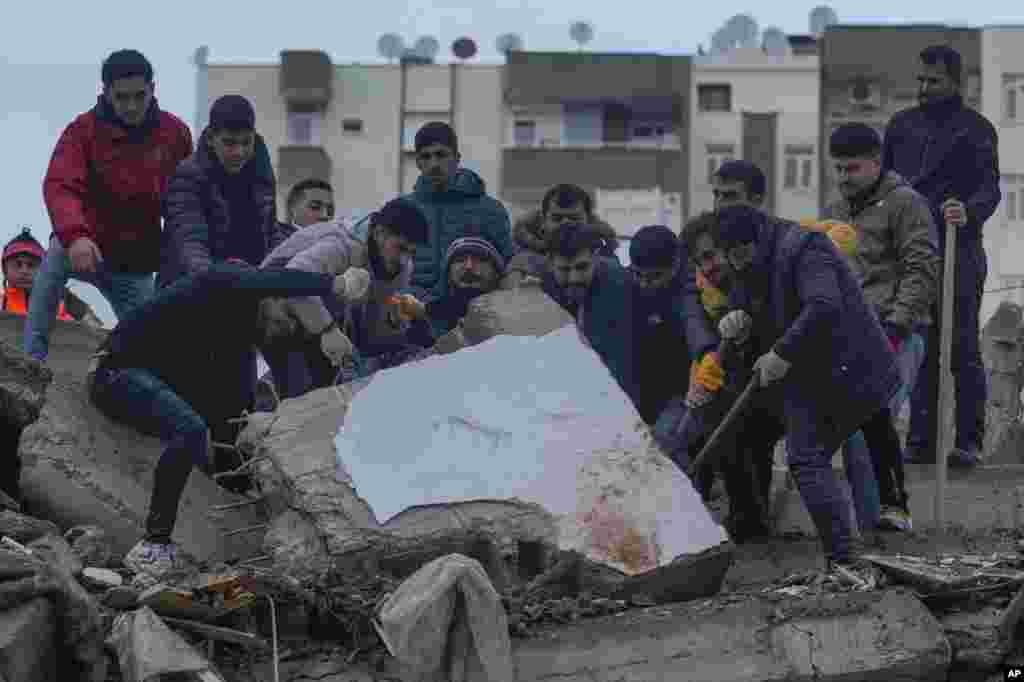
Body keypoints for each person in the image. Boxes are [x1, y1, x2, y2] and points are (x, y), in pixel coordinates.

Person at [87, 262, 361, 575]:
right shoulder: (223, 281)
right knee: (189, 430)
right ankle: (153, 546)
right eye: (284, 318)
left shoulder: (237, 347)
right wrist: (335, 284)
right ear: (270, 296)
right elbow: (272, 278)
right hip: (113, 371)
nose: (281, 329)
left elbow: (230, 420)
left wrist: (248, 482)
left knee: (207, 425)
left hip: (147, 380)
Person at [711, 204, 902, 570]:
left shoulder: (804, 247)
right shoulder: (749, 256)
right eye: (730, 256)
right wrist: (737, 319)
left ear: (758, 237)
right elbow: (750, 297)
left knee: (806, 454)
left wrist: (781, 352)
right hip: (810, 371)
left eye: (741, 253)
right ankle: (830, 551)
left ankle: (845, 559)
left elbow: (824, 306)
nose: (737, 264)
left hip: (849, 368)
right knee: (756, 434)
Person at [27, 49, 192, 361]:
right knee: (50, 268)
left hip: (135, 261)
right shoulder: (82, 131)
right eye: (122, 97)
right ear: (106, 93)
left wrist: (178, 257)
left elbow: (185, 201)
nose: (131, 106)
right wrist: (75, 236)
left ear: (153, 89)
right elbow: (60, 185)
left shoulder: (175, 134)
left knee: (149, 346)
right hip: (83, 243)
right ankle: (32, 362)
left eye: (139, 96)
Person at [883, 45, 1002, 467]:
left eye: (934, 81)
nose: (924, 88)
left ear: (956, 82)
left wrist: (967, 210)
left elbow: (991, 187)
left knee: (962, 346)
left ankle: (968, 442)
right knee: (921, 345)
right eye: (921, 80)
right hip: (913, 255)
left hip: (960, 249)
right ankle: (921, 441)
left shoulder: (977, 130)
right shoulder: (900, 126)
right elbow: (885, 186)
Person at [824, 123, 941, 531]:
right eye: (837, 169)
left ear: (876, 163)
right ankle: (874, 521)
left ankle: (887, 517)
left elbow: (922, 271)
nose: (843, 178)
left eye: (852, 169)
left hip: (898, 335)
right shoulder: (834, 212)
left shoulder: (907, 204)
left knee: (869, 423)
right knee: (855, 429)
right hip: (849, 339)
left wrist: (895, 327)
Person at [159, 94, 284, 447]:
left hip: (241, 298)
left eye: (245, 143)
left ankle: (232, 475)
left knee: (239, 397)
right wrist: (214, 280)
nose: (238, 152)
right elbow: (189, 241)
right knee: (192, 394)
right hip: (189, 296)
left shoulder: (260, 170)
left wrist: (276, 279)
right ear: (211, 137)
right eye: (229, 143)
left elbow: (269, 232)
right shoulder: (188, 176)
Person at [258, 198, 429, 398]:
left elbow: (370, 335)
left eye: (411, 253)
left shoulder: (402, 268)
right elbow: (294, 279)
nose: (404, 259)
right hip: (273, 299)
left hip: (323, 312)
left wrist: (402, 334)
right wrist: (327, 330)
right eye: (400, 248)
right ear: (379, 234)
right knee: (300, 389)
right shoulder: (341, 244)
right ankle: (275, 392)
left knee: (330, 382)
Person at [350, 121, 514, 301]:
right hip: (405, 316)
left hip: (471, 315)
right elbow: (374, 265)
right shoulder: (398, 210)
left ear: (457, 158)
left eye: (441, 155)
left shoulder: (490, 210)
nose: (434, 163)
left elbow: (508, 267)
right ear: (418, 162)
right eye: (426, 156)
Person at [541, 222, 640, 412]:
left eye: (582, 267)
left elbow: (625, 367)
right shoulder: (542, 288)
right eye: (564, 270)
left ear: (595, 258)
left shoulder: (620, 287)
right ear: (550, 263)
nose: (574, 278)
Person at [509, 184, 619, 281]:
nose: (565, 225)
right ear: (543, 221)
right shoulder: (522, 262)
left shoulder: (607, 263)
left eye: (574, 218)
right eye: (557, 218)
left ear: (589, 221)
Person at [2, 228, 102, 327]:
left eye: (31, 265)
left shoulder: (65, 299)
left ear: (43, 269)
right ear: (5, 270)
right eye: (18, 265)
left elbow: (96, 330)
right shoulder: (2, 302)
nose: (24, 271)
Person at [277, 178, 335, 244]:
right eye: (315, 207)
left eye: (330, 209)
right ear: (293, 207)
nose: (325, 215)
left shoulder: (338, 244)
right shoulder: (276, 240)